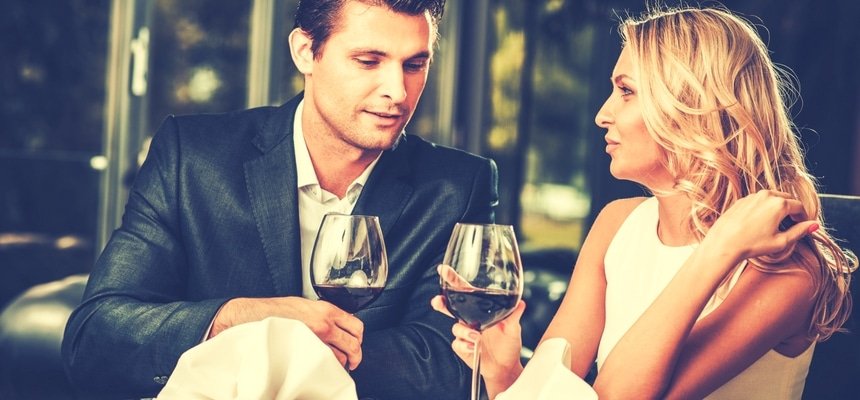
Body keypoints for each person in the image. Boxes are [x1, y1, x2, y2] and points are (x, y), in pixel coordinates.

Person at [62, 0, 497, 399]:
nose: (398, 92)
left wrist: (289, 356)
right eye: (369, 61)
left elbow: (453, 361)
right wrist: (239, 320)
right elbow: (96, 337)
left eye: (415, 65)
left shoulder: (458, 186)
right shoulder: (191, 157)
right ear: (305, 52)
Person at [432, 5, 855, 400]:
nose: (603, 113)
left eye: (626, 91)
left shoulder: (785, 268)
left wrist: (719, 249)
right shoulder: (617, 224)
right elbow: (558, 391)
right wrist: (505, 372)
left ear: (692, 106)